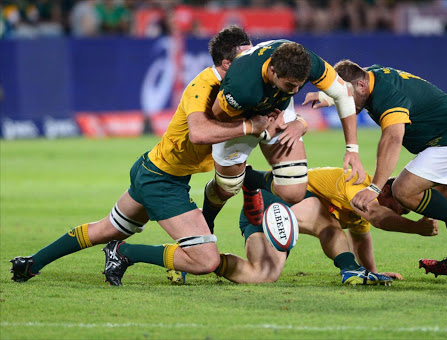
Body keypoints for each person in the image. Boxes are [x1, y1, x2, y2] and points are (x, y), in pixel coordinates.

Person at [9, 26, 269, 286]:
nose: (253, 62)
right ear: (226, 63)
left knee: (108, 228)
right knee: (205, 261)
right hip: (162, 180)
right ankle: (123, 253)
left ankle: (32, 262)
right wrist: (249, 127)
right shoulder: (203, 86)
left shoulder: (236, 88)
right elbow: (199, 134)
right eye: (246, 56)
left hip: (154, 170)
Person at [304, 60, 447, 280]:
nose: (345, 105)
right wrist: (328, 97)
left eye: (345, 98)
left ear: (362, 87)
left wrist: (375, 187)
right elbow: (349, 81)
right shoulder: (369, 78)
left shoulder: (386, 95)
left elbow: (392, 138)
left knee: (403, 190)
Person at [201, 39, 366, 234]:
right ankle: (206, 222)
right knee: (227, 187)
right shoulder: (243, 85)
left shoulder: (306, 62)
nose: (295, 90)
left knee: (293, 191)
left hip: (278, 109)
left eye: (299, 85)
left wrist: (352, 149)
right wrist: (256, 126)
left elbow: (344, 93)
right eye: (290, 85)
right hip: (240, 117)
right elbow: (218, 113)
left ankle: (251, 180)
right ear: (272, 71)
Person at [210, 166, 439, 285]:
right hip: (274, 196)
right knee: (327, 224)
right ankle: (349, 271)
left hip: (264, 216)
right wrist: (416, 228)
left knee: (261, 274)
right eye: (401, 206)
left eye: (406, 211)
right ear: (387, 189)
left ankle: (197, 259)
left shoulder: (361, 214)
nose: (402, 211)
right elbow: (378, 217)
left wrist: (372, 273)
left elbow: (361, 239)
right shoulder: (359, 183)